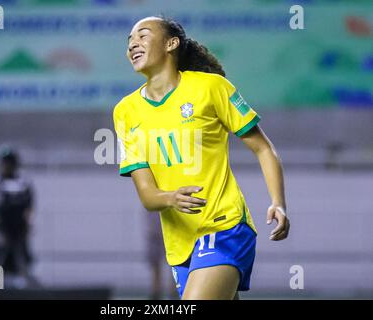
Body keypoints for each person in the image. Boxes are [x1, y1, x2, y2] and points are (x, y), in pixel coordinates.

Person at [113, 16, 290, 300]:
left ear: (171, 44)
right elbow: (147, 196)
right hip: (180, 245)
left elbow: (263, 148)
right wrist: (171, 197)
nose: (133, 43)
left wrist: (278, 203)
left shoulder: (212, 88)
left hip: (224, 226)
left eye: (143, 35)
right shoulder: (125, 111)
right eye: (129, 40)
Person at [0, 146, 35, 286]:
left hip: (18, 230)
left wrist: (26, 224)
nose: (8, 166)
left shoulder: (23, 182)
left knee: (20, 261)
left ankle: (21, 285)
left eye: (11, 162)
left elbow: (29, 205)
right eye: (5, 162)